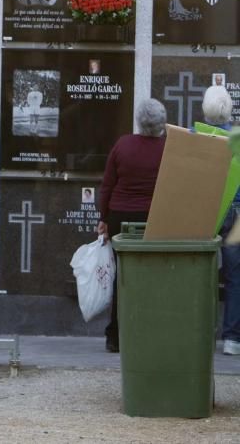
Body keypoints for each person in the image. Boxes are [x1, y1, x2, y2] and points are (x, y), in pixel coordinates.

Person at [97, 99, 167, 353]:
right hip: (155, 218)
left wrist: (103, 217)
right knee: (153, 277)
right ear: (161, 123)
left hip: (121, 218)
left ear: (139, 120)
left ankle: (115, 336)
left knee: (122, 277)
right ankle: (149, 332)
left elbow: (107, 185)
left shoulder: (123, 144)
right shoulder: (168, 148)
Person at [194, 86, 240, 355]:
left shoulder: (194, 137)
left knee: (199, 274)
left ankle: (199, 334)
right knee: (235, 277)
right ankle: (232, 339)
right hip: (236, 213)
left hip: (205, 209)